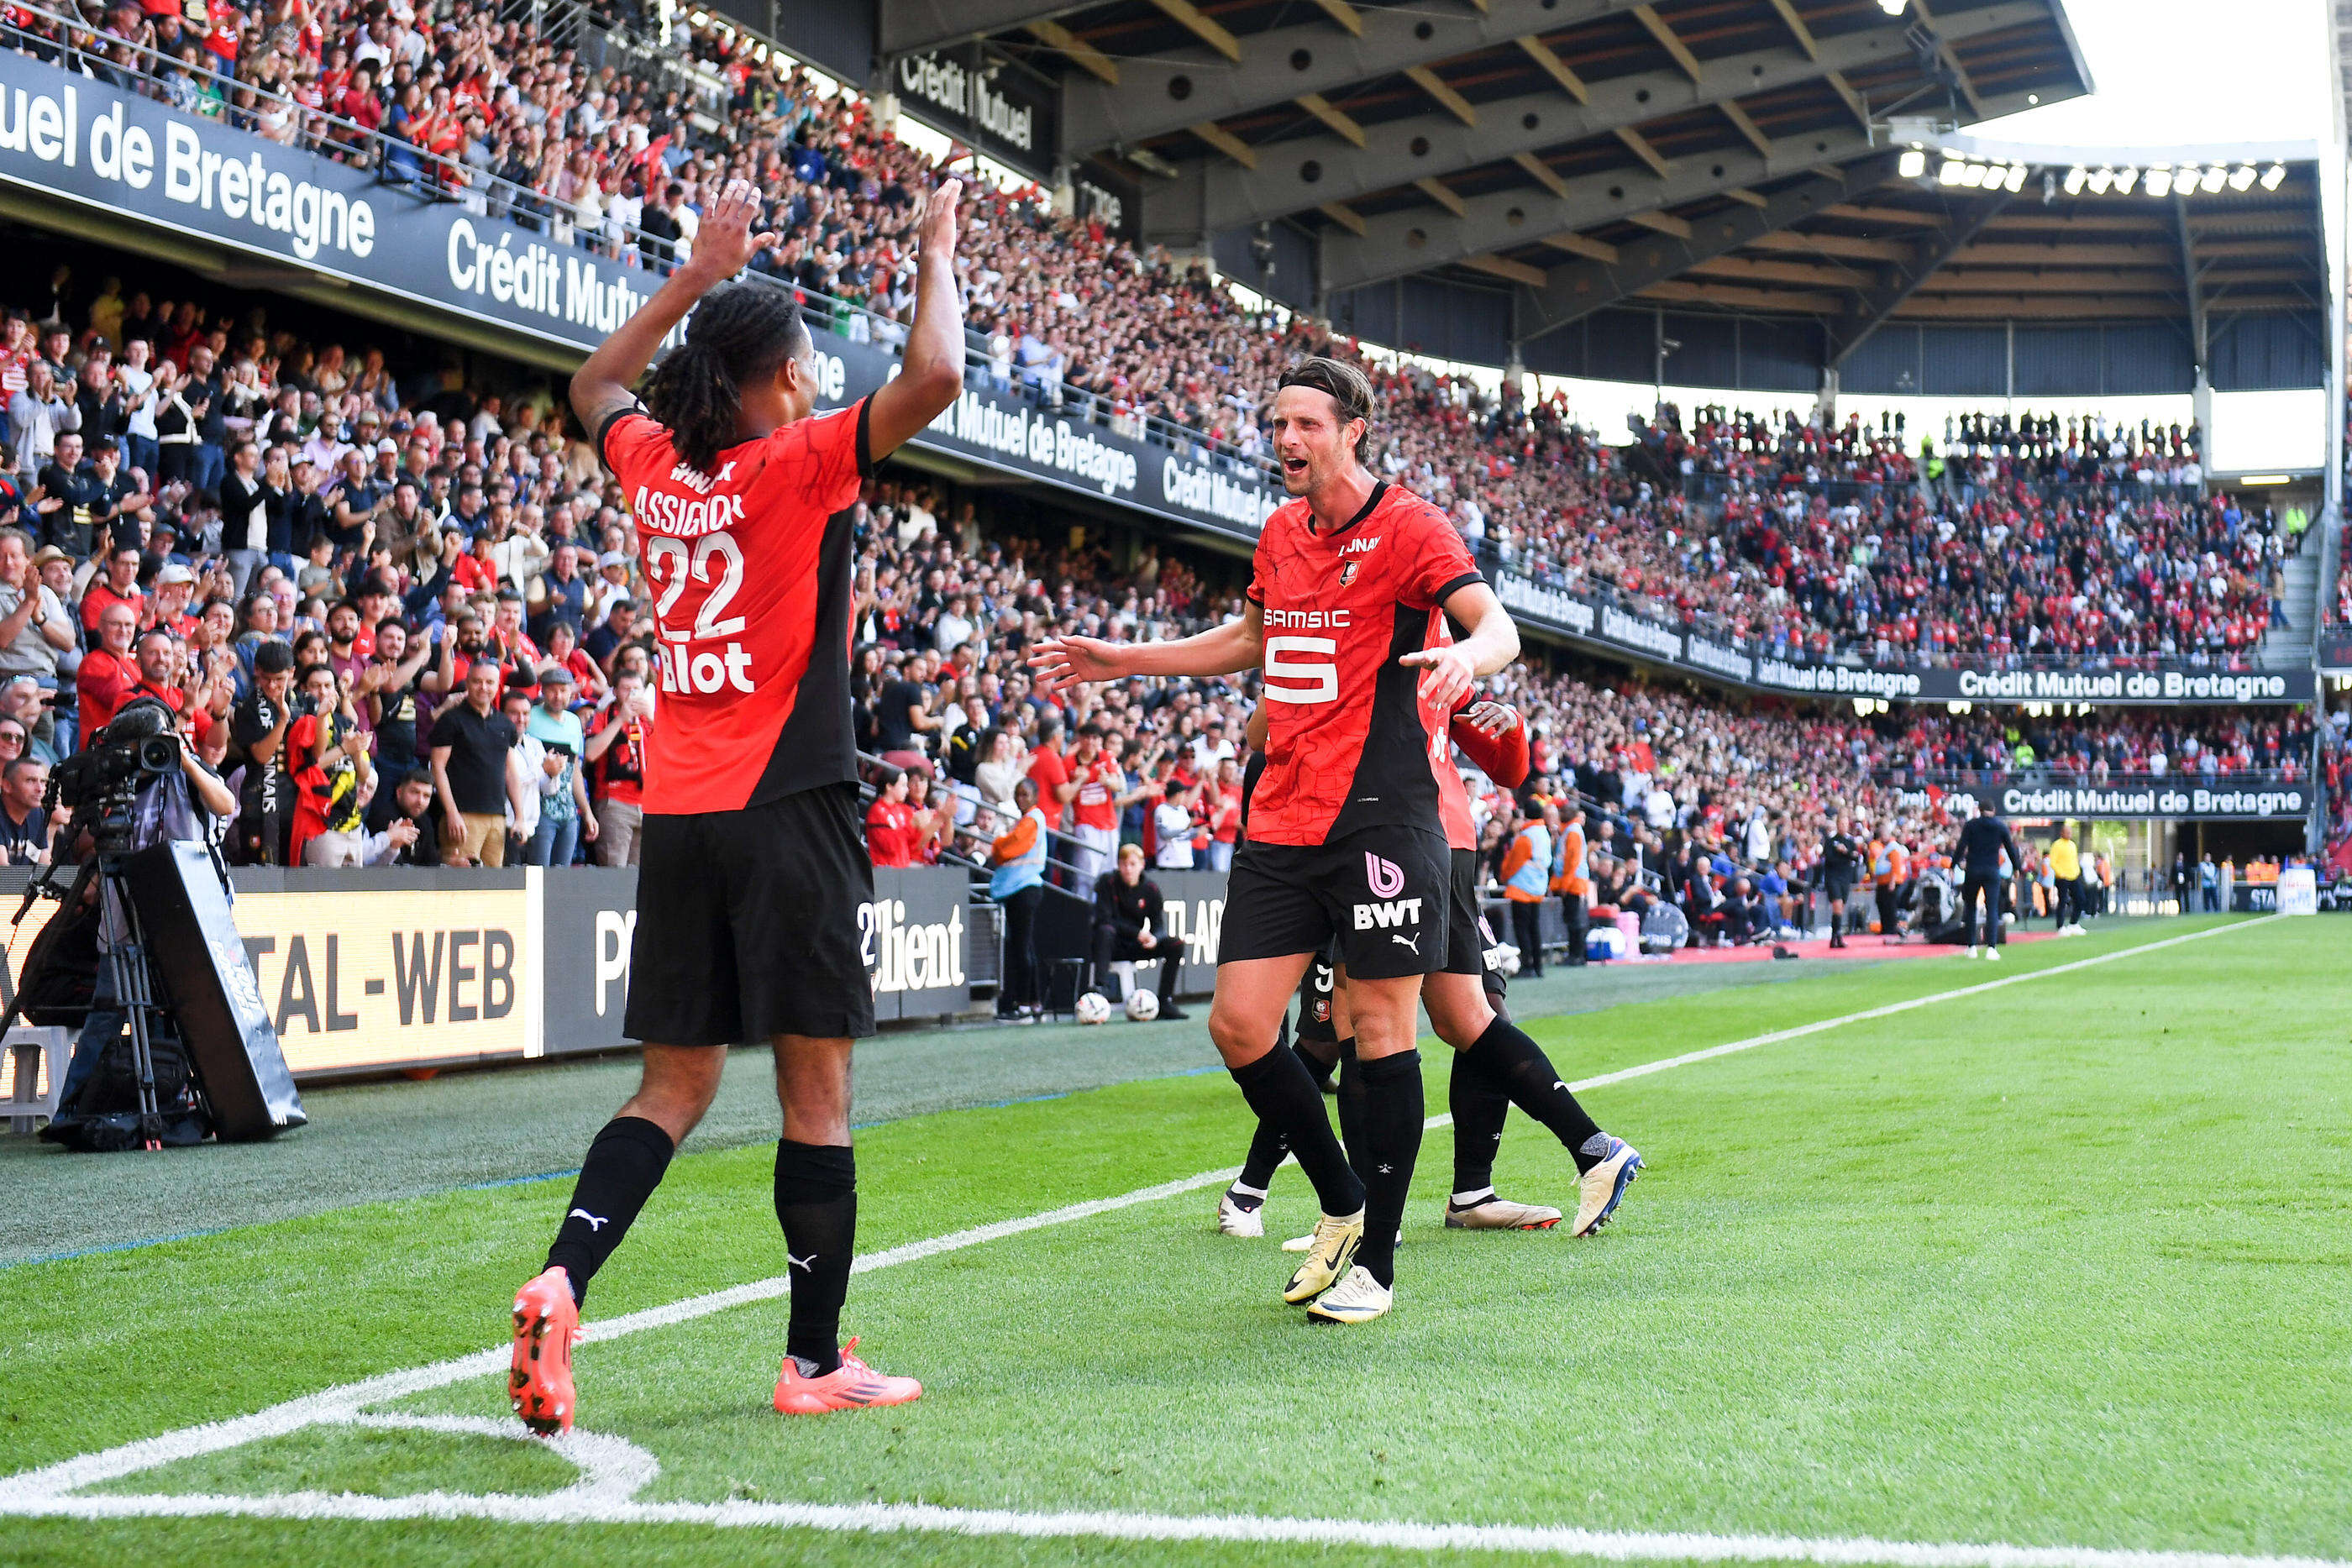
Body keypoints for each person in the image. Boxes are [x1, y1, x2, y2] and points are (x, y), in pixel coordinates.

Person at [511, 176, 968, 1432]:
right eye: (811, 363)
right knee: (814, 1097)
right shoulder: (797, 464)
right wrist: (934, 250)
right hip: (793, 802)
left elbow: (592, 388)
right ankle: (814, 1360)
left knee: (672, 1085)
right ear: (775, 381)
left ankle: (563, 1276)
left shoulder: (658, 467)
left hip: (685, 813)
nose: (822, 380)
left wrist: (692, 280)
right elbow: (935, 376)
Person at [1032, 354, 1520, 1326]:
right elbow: (1251, 641)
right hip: (1283, 815)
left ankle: (1374, 1265)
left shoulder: (1410, 525)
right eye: (1277, 423)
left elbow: (1495, 624)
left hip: (1382, 814)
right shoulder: (1278, 533)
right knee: (1240, 1024)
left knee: (1381, 1030)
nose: (1285, 440)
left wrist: (1468, 656)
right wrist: (1124, 661)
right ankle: (1341, 1198)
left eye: (1305, 423)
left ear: (1353, 432)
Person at [428, 658, 522, 867]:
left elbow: (511, 772)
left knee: (491, 889)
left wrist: (520, 817)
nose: (483, 687)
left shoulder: (505, 724)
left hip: (498, 817)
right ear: (468, 682)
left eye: (489, 682)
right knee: (460, 887)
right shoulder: (450, 720)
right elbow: (438, 768)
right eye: (477, 681)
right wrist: (452, 813)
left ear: (498, 685)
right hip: (462, 817)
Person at [1090, 842, 1184, 1020]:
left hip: (1135, 947)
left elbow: (1158, 926)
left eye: (1133, 864)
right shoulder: (1107, 882)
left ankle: (1164, 1001)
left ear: (1142, 865)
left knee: (1176, 944)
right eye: (1124, 864)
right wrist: (1136, 933)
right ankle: (1099, 991)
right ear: (1118, 865)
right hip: (1110, 947)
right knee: (1105, 930)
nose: (1128, 869)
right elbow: (1104, 918)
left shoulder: (1151, 890)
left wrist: (1155, 939)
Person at [990, 776, 1050, 1021]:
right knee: (1026, 948)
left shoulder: (1032, 820)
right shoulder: (1028, 820)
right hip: (1024, 889)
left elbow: (1006, 849)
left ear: (1035, 796)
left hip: (1023, 889)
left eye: (1025, 794)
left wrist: (997, 844)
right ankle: (1034, 1003)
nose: (1020, 798)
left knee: (1021, 948)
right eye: (1018, 793)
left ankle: (1023, 1005)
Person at [525, 666, 595, 867]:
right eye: (552, 690)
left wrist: (586, 811)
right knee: (539, 873)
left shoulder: (574, 722)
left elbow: (575, 772)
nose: (558, 696)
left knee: (561, 875)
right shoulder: (530, 716)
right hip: (539, 810)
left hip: (568, 812)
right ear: (543, 691)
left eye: (563, 691)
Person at [585, 670, 653, 867]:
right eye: (626, 689)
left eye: (636, 689)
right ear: (615, 692)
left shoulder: (647, 719)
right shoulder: (603, 716)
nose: (632, 694)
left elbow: (672, 749)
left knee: (639, 877)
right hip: (615, 802)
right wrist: (620, 719)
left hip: (647, 803)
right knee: (615, 873)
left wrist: (652, 717)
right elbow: (590, 753)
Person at [1956, 799, 2022, 960]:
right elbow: (2010, 848)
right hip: (1992, 870)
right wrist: (2017, 867)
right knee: (1992, 908)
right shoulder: (2000, 826)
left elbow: (1961, 845)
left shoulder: (1971, 825)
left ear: (1979, 809)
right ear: (1993, 810)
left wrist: (1954, 864)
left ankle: (1971, 946)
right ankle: (1991, 947)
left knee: (1970, 907)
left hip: (1973, 869)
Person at [1500, 805, 1554, 978]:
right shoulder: (1544, 833)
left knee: (1522, 929)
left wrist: (1505, 875)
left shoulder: (1526, 837)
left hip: (1522, 887)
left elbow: (1514, 862)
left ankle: (1527, 966)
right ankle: (1538, 966)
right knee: (1534, 928)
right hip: (1538, 887)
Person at [1554, 803, 1590, 967]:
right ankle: (1576, 954)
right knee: (1573, 919)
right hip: (1574, 880)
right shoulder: (1571, 830)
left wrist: (1565, 885)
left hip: (1573, 881)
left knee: (1574, 920)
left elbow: (1572, 861)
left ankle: (1576, 955)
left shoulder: (1573, 831)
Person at [1819, 818, 1863, 949]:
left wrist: (1845, 852)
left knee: (1841, 906)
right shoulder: (1831, 841)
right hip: (1833, 877)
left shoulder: (1850, 842)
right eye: (1841, 824)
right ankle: (1837, 935)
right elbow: (1829, 859)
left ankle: (1835, 937)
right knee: (1837, 904)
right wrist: (1846, 855)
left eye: (1845, 824)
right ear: (1837, 825)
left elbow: (1856, 857)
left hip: (1845, 877)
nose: (1843, 826)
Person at [0, 754, 50, 863]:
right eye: (30, 781)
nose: (40, 789)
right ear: (7, 785)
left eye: (43, 782)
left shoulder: (37, 814)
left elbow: (44, 864)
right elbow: (3, 872)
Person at [2049, 822, 2085, 935]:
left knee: (2081, 899)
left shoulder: (2072, 845)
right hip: (2062, 877)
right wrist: (2061, 873)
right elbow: (2053, 862)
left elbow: (2074, 860)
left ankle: (2074, 923)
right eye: (2067, 832)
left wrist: (2077, 871)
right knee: (2063, 901)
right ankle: (2060, 926)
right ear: (2062, 833)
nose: (2069, 834)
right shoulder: (2057, 845)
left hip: (2074, 876)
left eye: (2070, 832)